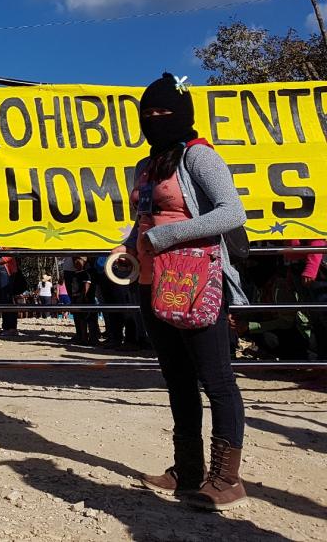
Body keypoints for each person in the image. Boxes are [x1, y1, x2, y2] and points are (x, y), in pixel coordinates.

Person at [123, 73, 248, 510]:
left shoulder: (199, 158)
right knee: (177, 378)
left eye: (163, 113)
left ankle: (226, 479)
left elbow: (232, 212)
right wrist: (125, 245)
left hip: (198, 282)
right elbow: (143, 217)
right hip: (152, 282)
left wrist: (167, 237)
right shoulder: (146, 166)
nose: (155, 120)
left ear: (183, 115)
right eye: (148, 114)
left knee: (216, 379)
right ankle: (188, 470)